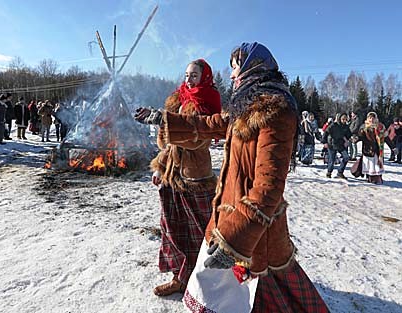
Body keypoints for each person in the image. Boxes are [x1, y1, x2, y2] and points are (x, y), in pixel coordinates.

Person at [135, 42, 328, 313]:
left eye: (236, 68)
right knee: (222, 294)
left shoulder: (277, 112)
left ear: (254, 66)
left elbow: (269, 187)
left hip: (254, 229)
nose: (234, 75)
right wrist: (163, 119)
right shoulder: (244, 106)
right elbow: (207, 124)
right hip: (227, 214)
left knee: (265, 296)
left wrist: (234, 244)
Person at [140, 59, 221, 297]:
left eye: (194, 75)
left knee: (200, 234)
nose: (189, 79)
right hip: (172, 177)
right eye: (187, 74)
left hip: (195, 178)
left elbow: (197, 141)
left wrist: (165, 121)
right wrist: (160, 167)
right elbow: (166, 142)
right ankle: (179, 276)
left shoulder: (207, 103)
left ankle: (203, 279)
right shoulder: (177, 100)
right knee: (173, 230)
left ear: (204, 77)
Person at [359, 112, 386, 184]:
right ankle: (369, 178)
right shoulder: (364, 126)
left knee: (377, 165)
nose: (371, 119)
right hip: (368, 149)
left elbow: (385, 137)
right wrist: (356, 137)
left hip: (378, 149)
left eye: (373, 118)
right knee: (369, 165)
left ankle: (378, 178)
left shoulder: (380, 126)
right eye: (370, 118)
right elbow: (360, 136)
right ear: (367, 118)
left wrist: (392, 147)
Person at [322, 113, 351, 178]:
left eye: (345, 119)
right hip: (332, 144)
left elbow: (349, 135)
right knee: (332, 160)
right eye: (343, 119)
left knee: (346, 157)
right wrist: (324, 142)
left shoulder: (346, 127)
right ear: (339, 118)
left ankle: (340, 172)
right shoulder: (333, 125)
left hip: (341, 145)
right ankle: (329, 172)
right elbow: (325, 133)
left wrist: (348, 140)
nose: (344, 120)